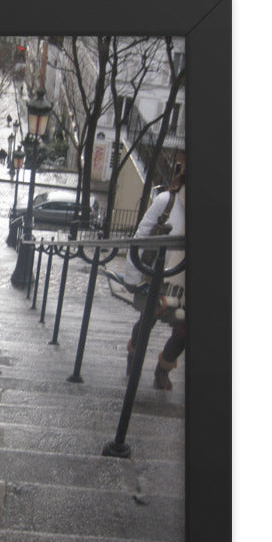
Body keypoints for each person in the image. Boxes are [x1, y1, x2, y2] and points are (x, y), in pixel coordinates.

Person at [119, 164, 186, 390]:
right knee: (147, 321)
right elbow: (141, 236)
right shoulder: (166, 201)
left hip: (183, 285)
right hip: (155, 277)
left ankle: (163, 369)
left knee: (183, 332)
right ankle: (134, 357)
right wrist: (133, 277)